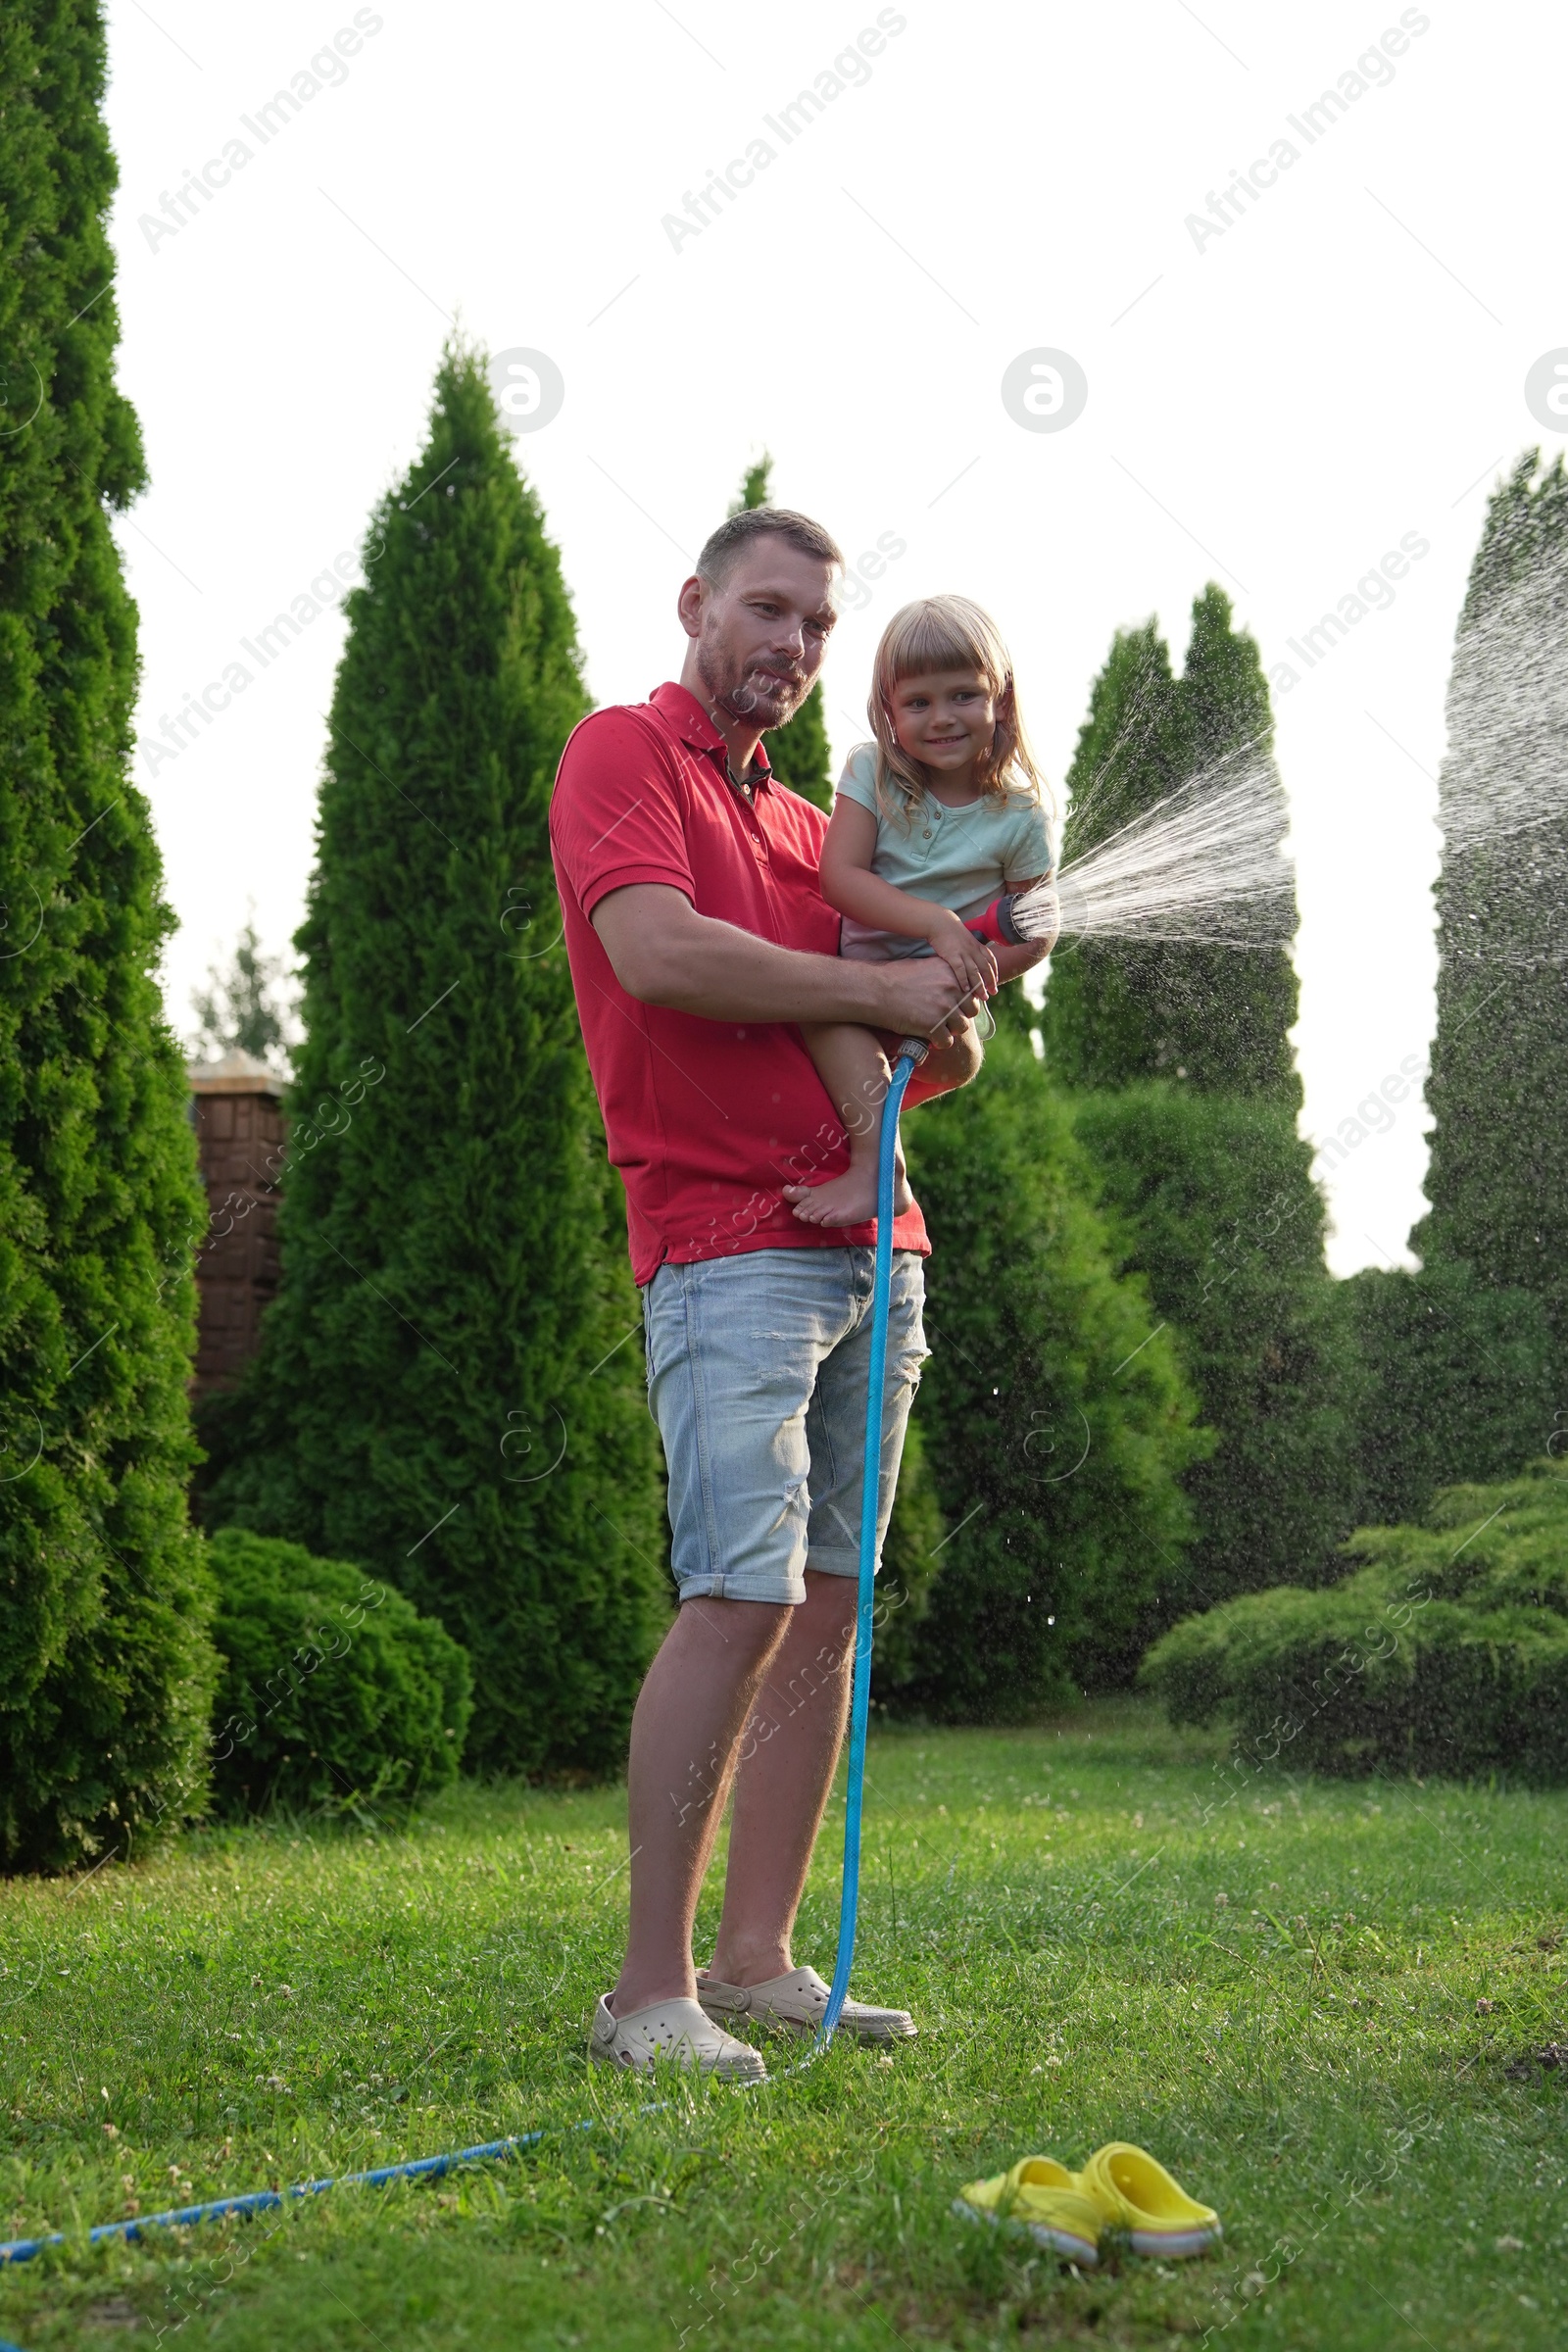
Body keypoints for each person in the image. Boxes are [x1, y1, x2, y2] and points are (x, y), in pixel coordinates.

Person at [549, 507, 1048, 2081]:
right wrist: (878, 984)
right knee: (740, 1593)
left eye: (819, 627)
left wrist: (951, 999)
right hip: (727, 1238)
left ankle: (754, 1960)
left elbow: (930, 1056)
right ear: (696, 603)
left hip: (874, 1245)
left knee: (829, 1606)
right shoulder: (623, 756)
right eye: (768, 611)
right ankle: (646, 1993)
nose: (796, 646)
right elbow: (663, 957)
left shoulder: (816, 828)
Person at [783, 596, 1057, 1229]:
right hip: (861, 980)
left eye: (963, 695)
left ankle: (872, 1169)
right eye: (918, 703)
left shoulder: (1018, 817)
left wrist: (970, 976)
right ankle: (884, 1172)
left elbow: (1037, 926)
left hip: (945, 999)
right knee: (821, 1013)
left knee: (910, 1048)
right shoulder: (872, 772)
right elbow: (840, 878)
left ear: (1001, 700)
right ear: (889, 710)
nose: (942, 718)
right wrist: (936, 924)